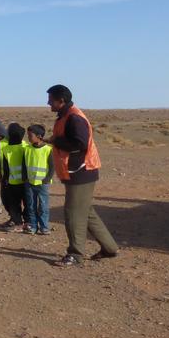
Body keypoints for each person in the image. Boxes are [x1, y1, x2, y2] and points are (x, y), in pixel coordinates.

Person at [48, 84, 119, 266]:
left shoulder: (74, 118)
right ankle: (109, 248)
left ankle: (75, 254)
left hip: (80, 171)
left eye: (51, 99)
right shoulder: (66, 116)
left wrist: (57, 141)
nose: (48, 103)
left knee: (73, 212)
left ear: (61, 100)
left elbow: (80, 144)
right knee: (85, 211)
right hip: (78, 171)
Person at [23, 124, 53, 235]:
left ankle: (44, 227)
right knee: (31, 205)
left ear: (39, 136)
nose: (28, 138)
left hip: (42, 184)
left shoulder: (48, 150)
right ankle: (33, 226)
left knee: (43, 205)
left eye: (30, 135)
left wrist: (47, 179)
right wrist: (25, 178)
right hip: (29, 183)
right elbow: (24, 165)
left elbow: (52, 167)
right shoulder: (27, 149)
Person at [0, 122, 28, 231]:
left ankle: (18, 222)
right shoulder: (25, 146)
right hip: (25, 181)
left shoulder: (6, 149)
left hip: (12, 181)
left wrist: (4, 179)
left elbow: (6, 168)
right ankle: (28, 222)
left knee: (13, 203)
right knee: (27, 202)